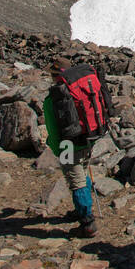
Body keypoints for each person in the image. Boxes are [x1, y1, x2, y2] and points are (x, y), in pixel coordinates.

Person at [42, 60, 112, 239]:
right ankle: (83, 207)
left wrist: (57, 149)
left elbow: (53, 128)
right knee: (82, 171)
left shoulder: (55, 99)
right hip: (89, 136)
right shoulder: (82, 90)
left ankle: (87, 222)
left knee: (75, 179)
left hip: (67, 143)